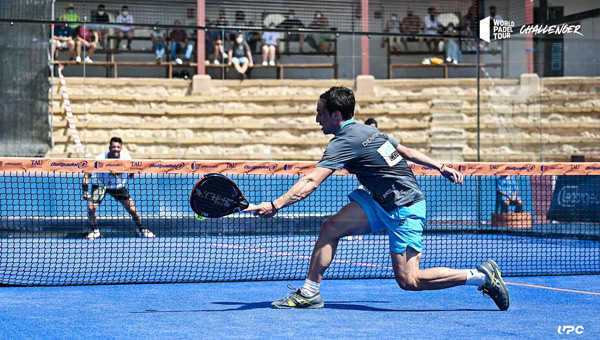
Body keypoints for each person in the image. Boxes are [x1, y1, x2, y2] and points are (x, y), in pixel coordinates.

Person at [245, 87, 510, 311]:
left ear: (336, 115)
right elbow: (404, 151)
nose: (317, 119)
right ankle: (310, 293)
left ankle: (480, 276)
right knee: (331, 227)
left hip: (404, 206)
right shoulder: (366, 132)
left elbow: (312, 181)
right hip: (379, 201)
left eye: (320, 113)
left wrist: (275, 205)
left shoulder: (345, 141)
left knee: (410, 280)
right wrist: (439, 166)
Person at [82, 137, 154, 240]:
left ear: (121, 148)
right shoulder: (100, 158)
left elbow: (131, 174)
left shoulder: (126, 158)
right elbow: (86, 174)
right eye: (113, 147)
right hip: (100, 185)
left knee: (132, 209)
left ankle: (141, 229)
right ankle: (95, 231)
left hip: (118, 186)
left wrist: (130, 173)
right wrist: (85, 190)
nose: (116, 149)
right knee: (91, 207)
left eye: (118, 147)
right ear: (109, 147)